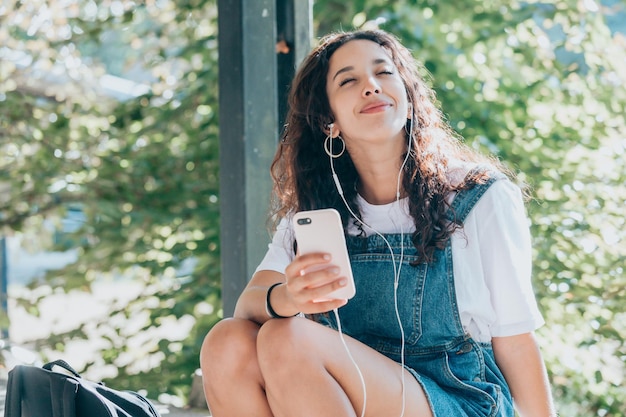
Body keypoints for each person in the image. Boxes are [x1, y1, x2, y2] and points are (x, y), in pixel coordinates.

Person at [200, 29, 556, 417]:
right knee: (227, 342)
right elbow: (247, 306)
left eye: (383, 73)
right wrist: (290, 297)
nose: (370, 86)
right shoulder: (319, 212)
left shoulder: (477, 196)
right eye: (349, 80)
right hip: (352, 394)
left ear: (407, 100)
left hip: (461, 397)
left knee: (287, 338)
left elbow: (517, 340)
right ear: (328, 121)